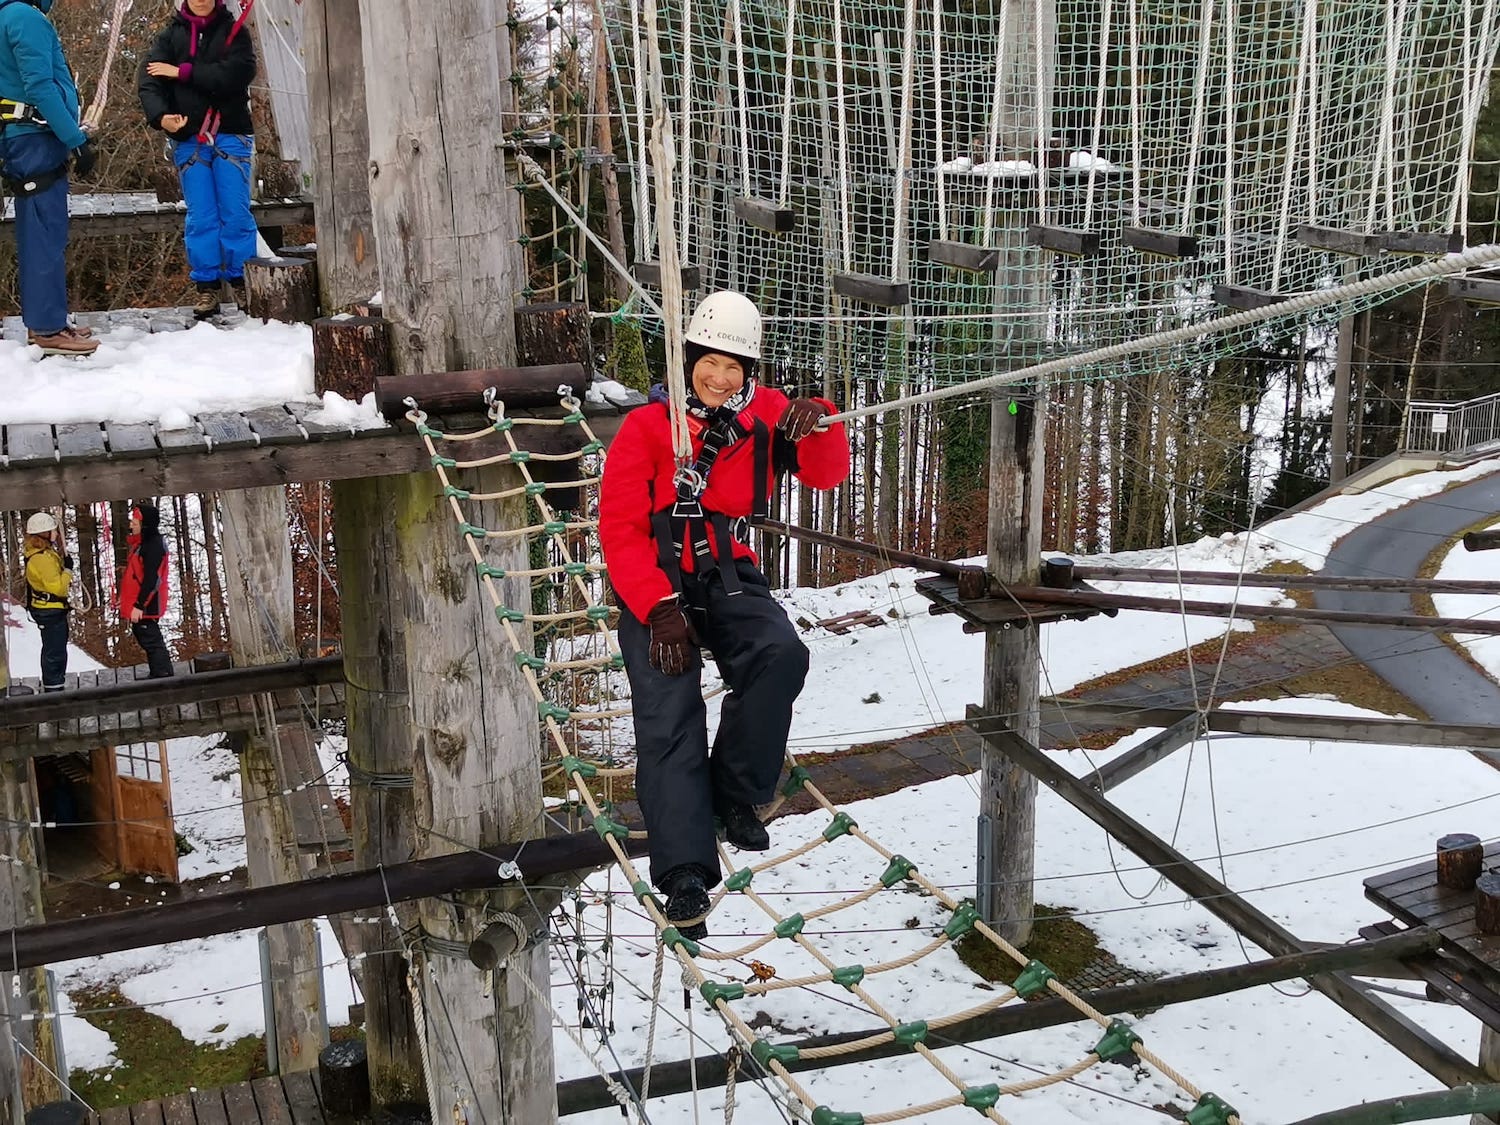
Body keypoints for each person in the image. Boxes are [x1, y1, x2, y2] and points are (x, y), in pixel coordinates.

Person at [598, 290, 850, 940]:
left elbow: (827, 475)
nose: (719, 377)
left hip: (725, 568)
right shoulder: (646, 429)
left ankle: (734, 791)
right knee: (668, 706)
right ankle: (685, 870)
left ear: (751, 372)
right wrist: (656, 608)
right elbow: (621, 528)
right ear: (688, 360)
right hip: (654, 581)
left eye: (734, 367)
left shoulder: (767, 415)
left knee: (780, 653)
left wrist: (817, 417)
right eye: (710, 362)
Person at [138, 0, 257, 320]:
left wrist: (182, 72)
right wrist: (160, 116)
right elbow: (149, 80)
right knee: (201, 215)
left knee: (234, 211)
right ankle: (206, 286)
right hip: (190, 139)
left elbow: (237, 74)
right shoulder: (170, 37)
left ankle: (243, 278)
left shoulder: (235, 32)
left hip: (230, 133)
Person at [0, 0, 99, 356]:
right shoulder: (25, 17)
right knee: (44, 231)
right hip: (35, 138)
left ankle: (49, 319)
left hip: (21, 136)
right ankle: (46, 327)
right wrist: (76, 139)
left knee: (39, 228)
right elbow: (40, 85)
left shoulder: (7, 15)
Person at [118, 503, 173, 679]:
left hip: (147, 603)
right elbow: (136, 576)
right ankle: (159, 673)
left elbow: (152, 580)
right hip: (140, 601)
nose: (131, 525)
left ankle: (162, 675)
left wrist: (139, 605)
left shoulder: (152, 546)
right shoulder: (143, 544)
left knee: (150, 638)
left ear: (145, 524)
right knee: (146, 636)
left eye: (135, 521)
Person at [22, 511, 72, 691]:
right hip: (49, 610)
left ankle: (55, 683)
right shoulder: (42, 559)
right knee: (54, 650)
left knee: (55, 648)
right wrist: (68, 571)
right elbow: (58, 587)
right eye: (53, 531)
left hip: (49, 608)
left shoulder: (44, 554)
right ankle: (53, 687)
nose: (56, 534)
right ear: (44, 534)